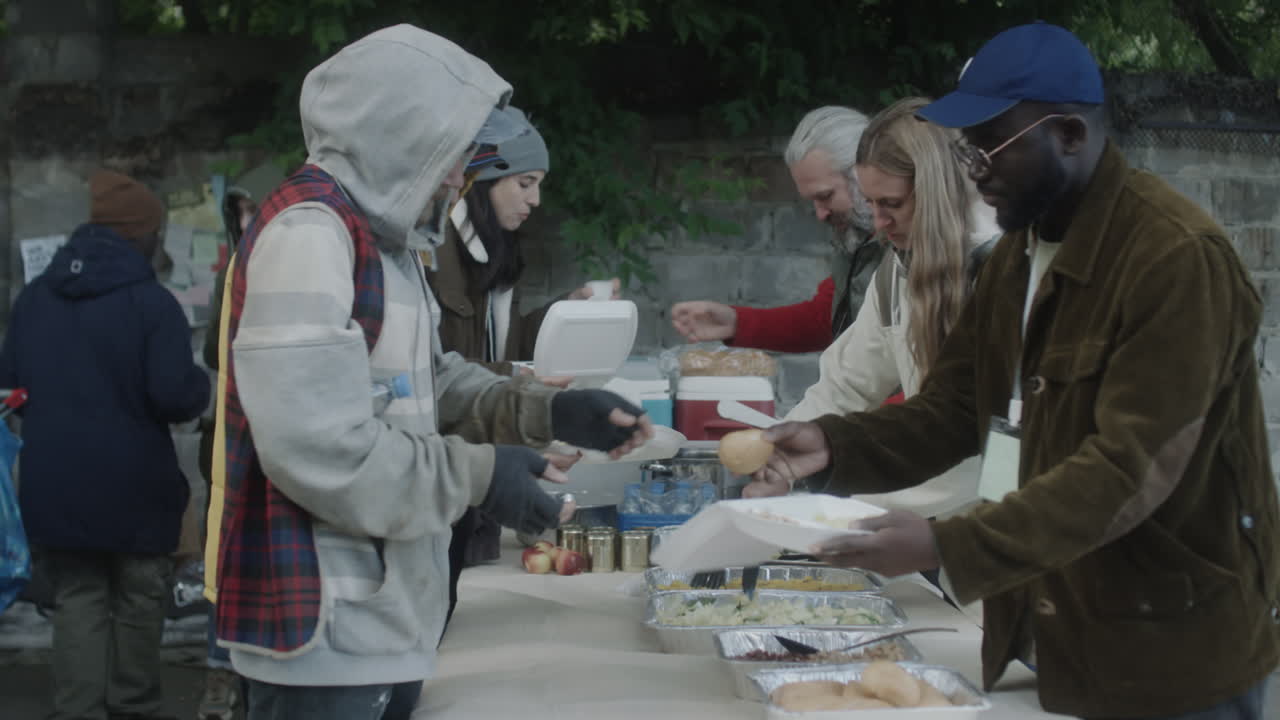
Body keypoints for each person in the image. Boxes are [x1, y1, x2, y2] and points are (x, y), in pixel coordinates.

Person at [745, 22, 1279, 720]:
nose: (973, 170)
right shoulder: (1021, 253)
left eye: (990, 146)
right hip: (1050, 623)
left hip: (1170, 648)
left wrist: (946, 545)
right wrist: (835, 446)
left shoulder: (1175, 260)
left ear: (1070, 136)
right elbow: (957, 408)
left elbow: (1129, 469)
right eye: (965, 149)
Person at [206, 25, 651, 720]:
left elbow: (427, 381)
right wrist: (481, 474)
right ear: (400, 135)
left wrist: (541, 410)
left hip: (376, 618)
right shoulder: (309, 236)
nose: (457, 176)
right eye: (453, 153)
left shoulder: (384, 240)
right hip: (321, 630)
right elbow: (319, 450)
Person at [0, 169, 211, 720]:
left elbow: (12, 390)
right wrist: (202, 387)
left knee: (77, 599)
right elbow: (175, 397)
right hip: (135, 484)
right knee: (140, 596)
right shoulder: (152, 304)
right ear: (141, 235)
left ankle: (78, 709)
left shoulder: (35, 299)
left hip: (54, 482)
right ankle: (134, 706)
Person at [426, 107, 604, 630]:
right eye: (525, 183)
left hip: (466, 491)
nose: (535, 200)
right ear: (480, 179)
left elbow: (496, 345)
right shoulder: (432, 253)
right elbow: (438, 373)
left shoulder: (492, 253)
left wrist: (561, 315)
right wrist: (520, 388)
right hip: (439, 478)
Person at [782, 96, 998, 519]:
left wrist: (851, 504)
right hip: (931, 523)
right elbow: (847, 383)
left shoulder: (1004, 269)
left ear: (934, 192)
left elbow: (965, 431)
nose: (878, 222)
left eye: (892, 205)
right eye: (871, 202)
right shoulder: (897, 268)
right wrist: (782, 448)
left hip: (989, 529)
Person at [670, 106, 884, 353]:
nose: (820, 214)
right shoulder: (859, 240)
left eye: (825, 196)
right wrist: (736, 323)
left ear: (864, 174)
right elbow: (830, 317)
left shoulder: (913, 242)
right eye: (812, 201)